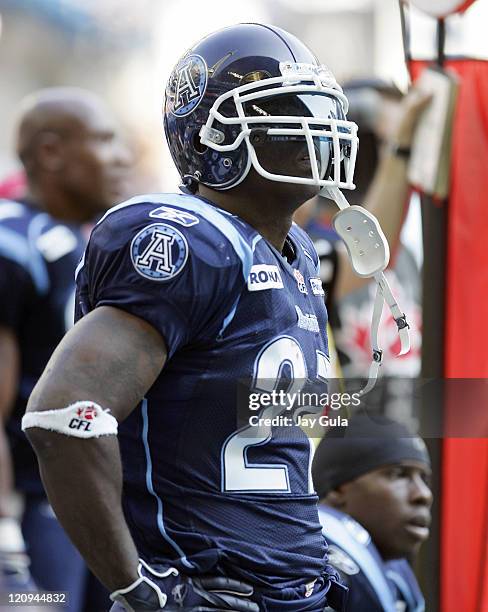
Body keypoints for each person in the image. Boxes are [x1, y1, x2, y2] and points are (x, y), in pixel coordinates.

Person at [20, 23, 369, 611]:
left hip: (293, 586)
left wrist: (411, 415)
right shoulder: (190, 243)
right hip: (208, 589)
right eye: (283, 111)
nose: (316, 128)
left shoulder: (297, 253)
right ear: (212, 135)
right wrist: (135, 586)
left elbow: (259, 412)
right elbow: (63, 415)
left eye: (319, 109)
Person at [0, 87, 131, 611]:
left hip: (93, 497)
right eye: (103, 140)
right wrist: (5, 536)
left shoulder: (81, 239)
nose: (121, 156)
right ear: (52, 152)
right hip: (36, 506)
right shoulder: (15, 243)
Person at [312, 415, 432, 612]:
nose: (424, 495)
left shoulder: (393, 570)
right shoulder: (311, 566)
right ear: (339, 489)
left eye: (424, 479)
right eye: (399, 474)